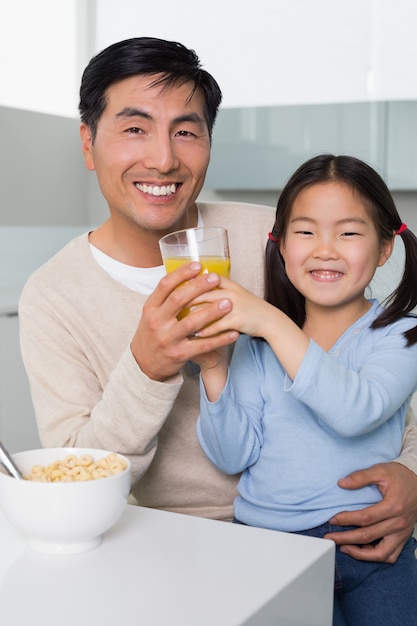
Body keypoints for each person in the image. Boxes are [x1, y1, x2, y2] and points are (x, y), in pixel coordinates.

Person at [18, 37, 417, 563]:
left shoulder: (275, 239)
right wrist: (148, 368)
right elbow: (75, 479)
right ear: (89, 145)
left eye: (185, 131)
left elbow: (376, 360)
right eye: (135, 128)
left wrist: (412, 472)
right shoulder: (54, 296)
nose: (163, 159)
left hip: (332, 522)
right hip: (174, 540)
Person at [196, 154, 417, 624]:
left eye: (349, 232)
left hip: (373, 549)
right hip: (268, 547)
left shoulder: (401, 335)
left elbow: (358, 408)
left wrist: (271, 322)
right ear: (281, 246)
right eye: (306, 231)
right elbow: (233, 455)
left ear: (384, 249)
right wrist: (215, 370)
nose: (325, 249)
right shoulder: (258, 346)